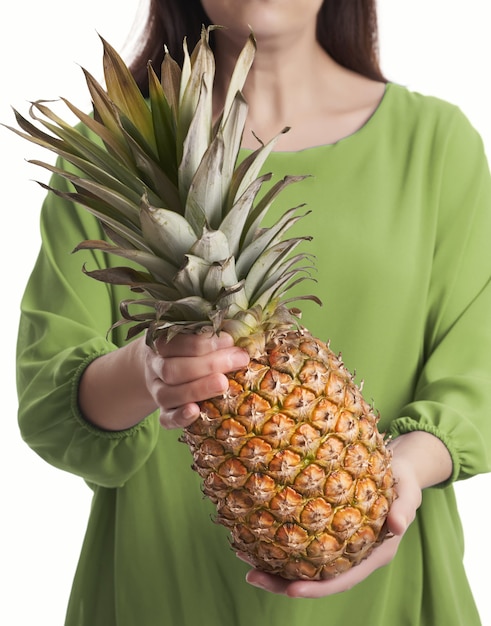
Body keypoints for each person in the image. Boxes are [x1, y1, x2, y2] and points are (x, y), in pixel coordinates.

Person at [16, 0, 491, 624]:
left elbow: (479, 369)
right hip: (163, 596)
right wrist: (148, 371)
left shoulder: (436, 142)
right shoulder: (110, 156)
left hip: (392, 601)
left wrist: (399, 473)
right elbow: (50, 402)